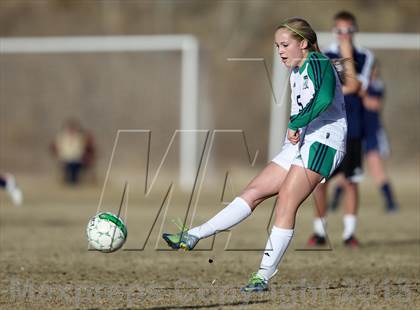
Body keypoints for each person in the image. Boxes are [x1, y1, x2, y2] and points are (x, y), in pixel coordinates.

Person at [162, 17, 347, 292]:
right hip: (303, 141)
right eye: (277, 46)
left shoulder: (318, 63)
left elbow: (324, 98)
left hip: (325, 143)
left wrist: (296, 123)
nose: (280, 51)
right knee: (254, 191)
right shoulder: (296, 70)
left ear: (304, 43)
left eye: (285, 44)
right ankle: (193, 235)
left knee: (286, 200)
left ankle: (262, 276)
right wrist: (298, 127)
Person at [307, 11, 374, 247]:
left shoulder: (365, 56)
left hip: (354, 126)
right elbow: (326, 90)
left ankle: (349, 233)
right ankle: (319, 231)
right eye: (340, 31)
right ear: (334, 31)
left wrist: (346, 56)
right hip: (330, 126)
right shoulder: (323, 55)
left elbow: (356, 85)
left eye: (349, 30)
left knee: (351, 181)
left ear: (355, 31)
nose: (344, 35)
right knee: (319, 181)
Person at [329, 62, 398, 213]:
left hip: (372, 133)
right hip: (355, 133)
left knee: (376, 168)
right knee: (346, 171)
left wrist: (362, 92)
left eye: (374, 69)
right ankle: (334, 202)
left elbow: (373, 105)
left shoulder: (375, 86)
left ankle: (391, 202)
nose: (373, 72)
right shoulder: (355, 84)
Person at [51, 119, 95, 185]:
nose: (72, 130)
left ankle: (73, 180)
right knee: (68, 167)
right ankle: (69, 180)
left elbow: (86, 148)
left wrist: (86, 157)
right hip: (65, 159)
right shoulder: (62, 137)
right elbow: (56, 148)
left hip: (78, 160)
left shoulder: (81, 137)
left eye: (73, 128)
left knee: (75, 168)